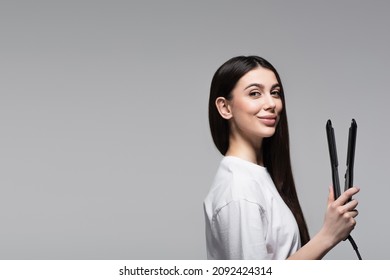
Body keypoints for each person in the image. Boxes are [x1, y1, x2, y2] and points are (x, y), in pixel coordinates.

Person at [203, 55, 360, 260]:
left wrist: (329, 233)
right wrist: (327, 236)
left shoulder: (257, 176)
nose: (271, 103)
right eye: (255, 93)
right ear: (225, 107)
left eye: (275, 93)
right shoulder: (239, 188)